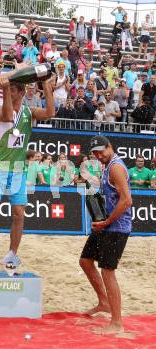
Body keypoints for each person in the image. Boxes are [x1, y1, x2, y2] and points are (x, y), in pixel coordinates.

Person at [0, 72, 55, 267]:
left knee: (18, 213)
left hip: (17, 169)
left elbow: (50, 113)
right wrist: (6, 88)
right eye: (9, 89)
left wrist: (46, 85)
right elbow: (8, 116)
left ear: (21, 92)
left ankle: (11, 254)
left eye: (13, 89)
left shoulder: (29, 112)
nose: (9, 91)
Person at [79, 135, 132, 334]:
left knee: (108, 271)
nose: (98, 155)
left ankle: (117, 322)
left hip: (117, 227)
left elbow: (126, 201)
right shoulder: (107, 165)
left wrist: (106, 221)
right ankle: (104, 302)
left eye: (101, 151)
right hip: (106, 224)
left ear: (110, 147)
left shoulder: (116, 167)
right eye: (95, 153)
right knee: (85, 261)